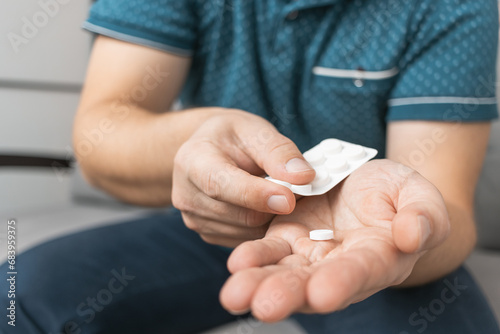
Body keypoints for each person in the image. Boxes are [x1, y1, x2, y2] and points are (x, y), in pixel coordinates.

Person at [2, 0, 500, 333]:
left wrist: (408, 233)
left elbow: (444, 202)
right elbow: (102, 136)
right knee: (14, 297)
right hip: (203, 221)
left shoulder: (456, 6)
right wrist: (198, 144)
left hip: (366, 237)